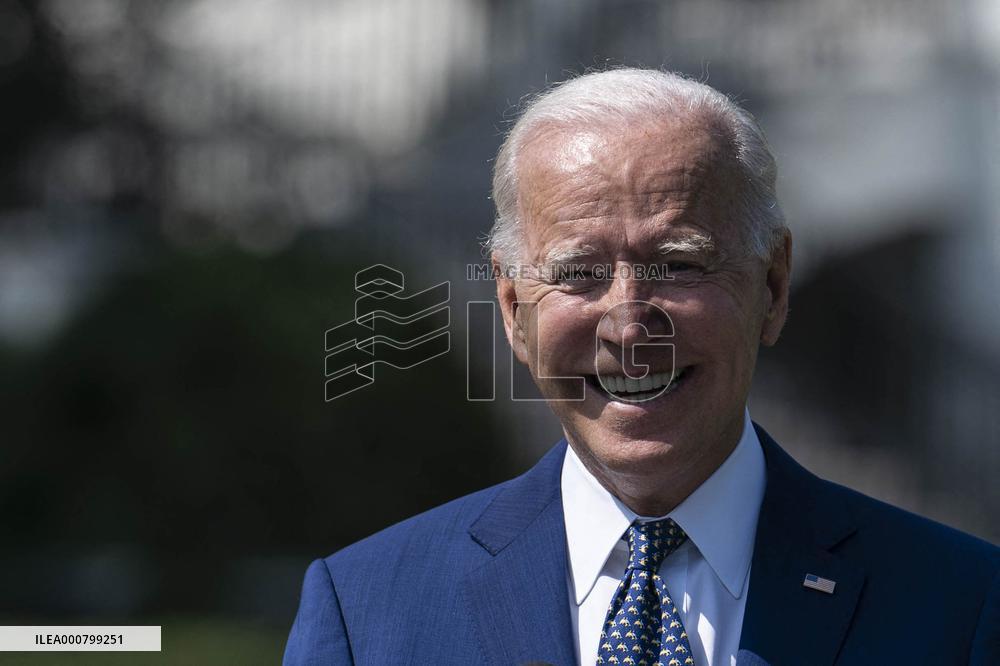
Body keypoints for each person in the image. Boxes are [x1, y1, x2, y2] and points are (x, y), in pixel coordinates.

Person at [283, 69, 999, 665]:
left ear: (773, 287)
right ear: (512, 309)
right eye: (580, 271)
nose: (629, 324)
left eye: (679, 264)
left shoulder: (960, 605)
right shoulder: (368, 612)